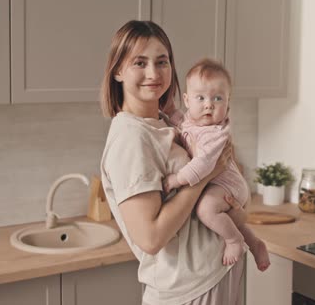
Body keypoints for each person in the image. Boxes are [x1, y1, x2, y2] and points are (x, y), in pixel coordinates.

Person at [99, 20, 247, 305]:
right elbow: (151, 238)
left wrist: (236, 212)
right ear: (118, 71)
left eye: (162, 61)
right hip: (187, 290)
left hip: (215, 274)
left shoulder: (167, 123)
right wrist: (204, 175)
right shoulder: (131, 138)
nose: (153, 73)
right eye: (139, 63)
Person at [162, 59, 270, 271]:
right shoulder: (190, 121)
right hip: (219, 185)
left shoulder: (215, 135)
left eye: (217, 98)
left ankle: (233, 241)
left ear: (228, 104)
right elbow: (177, 119)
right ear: (187, 100)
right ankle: (255, 244)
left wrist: (177, 180)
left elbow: (202, 165)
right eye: (200, 98)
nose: (208, 104)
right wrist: (164, 111)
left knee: (206, 210)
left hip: (229, 185)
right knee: (231, 219)